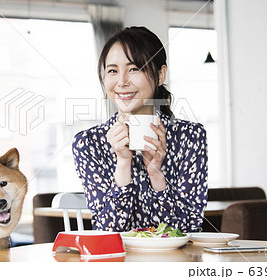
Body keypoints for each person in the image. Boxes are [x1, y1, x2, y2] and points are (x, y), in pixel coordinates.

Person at [72, 26, 208, 232]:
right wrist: (123, 164)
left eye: (134, 69)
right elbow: (106, 232)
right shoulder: (88, 143)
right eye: (112, 71)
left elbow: (189, 229)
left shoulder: (190, 137)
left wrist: (156, 175)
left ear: (160, 74)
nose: (122, 81)